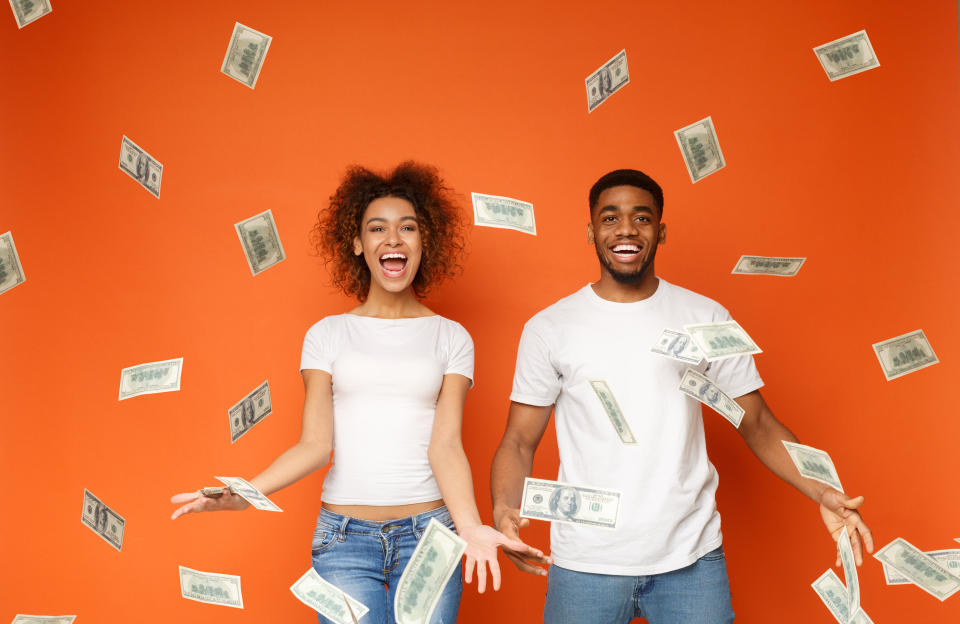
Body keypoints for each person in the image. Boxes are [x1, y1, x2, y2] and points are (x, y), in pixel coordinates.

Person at [490, 169, 873, 624]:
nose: (626, 229)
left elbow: (758, 423)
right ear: (591, 231)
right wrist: (503, 510)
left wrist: (823, 492)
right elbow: (518, 440)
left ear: (661, 231)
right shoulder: (549, 328)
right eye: (610, 218)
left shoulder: (706, 316)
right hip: (586, 563)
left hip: (691, 560)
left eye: (642, 218)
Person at [171, 161, 541, 624]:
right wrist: (246, 493)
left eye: (407, 227)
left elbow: (445, 445)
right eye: (377, 228)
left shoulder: (452, 337)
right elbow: (314, 445)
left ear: (424, 241)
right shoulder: (326, 335)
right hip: (342, 541)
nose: (393, 238)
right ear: (357, 244)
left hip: (430, 536)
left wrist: (469, 527)